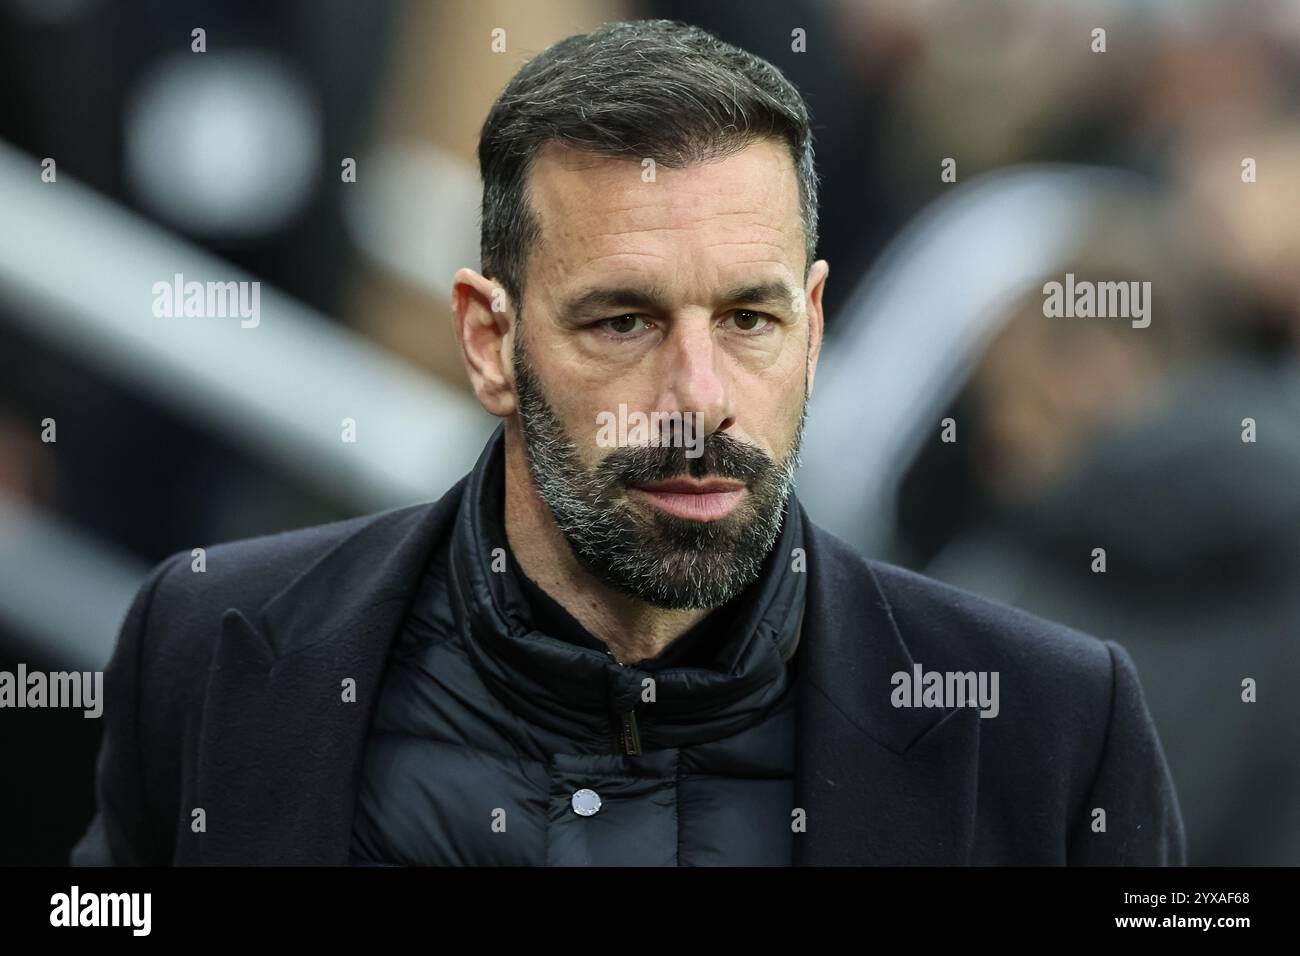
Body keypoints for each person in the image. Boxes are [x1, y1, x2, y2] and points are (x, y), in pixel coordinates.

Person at [71, 19, 1183, 866]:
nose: (697, 399)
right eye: (623, 321)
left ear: (814, 326)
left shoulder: (1048, 725)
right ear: (489, 338)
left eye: (749, 320)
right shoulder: (212, 648)